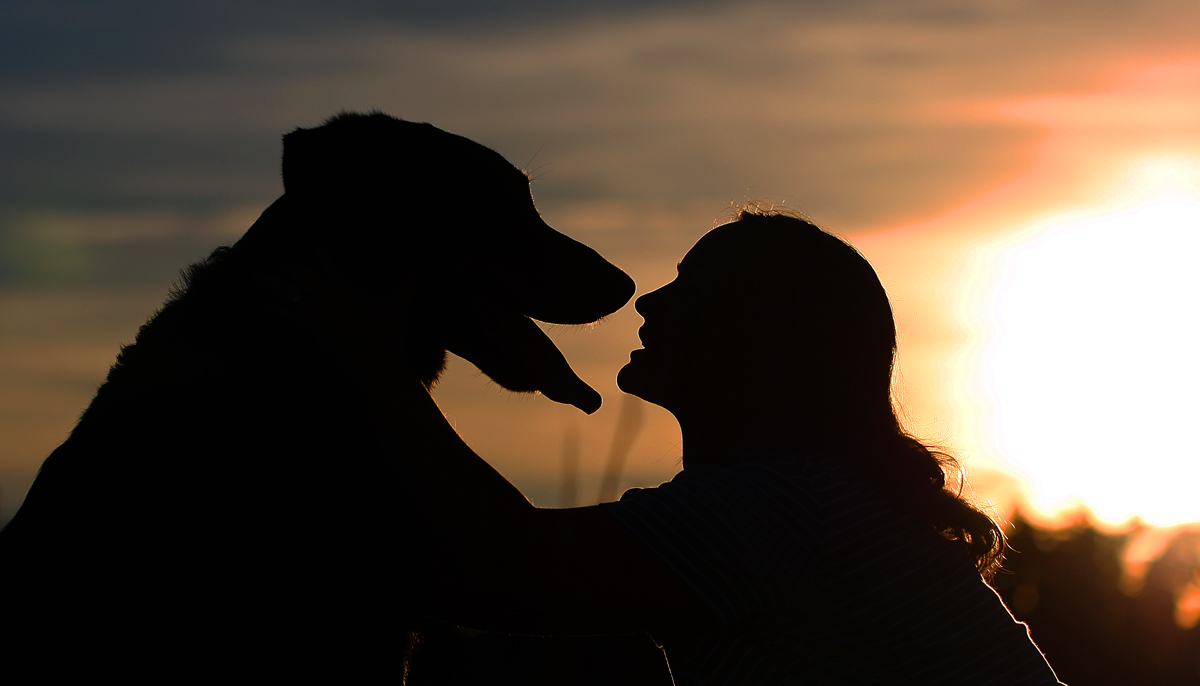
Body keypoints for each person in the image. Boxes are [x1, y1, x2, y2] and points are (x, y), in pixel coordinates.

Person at [290, 210, 1063, 684]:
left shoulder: (780, 509)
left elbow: (494, 567)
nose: (650, 301)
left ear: (761, 340)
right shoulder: (817, 499)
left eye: (691, 289)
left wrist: (362, 352)